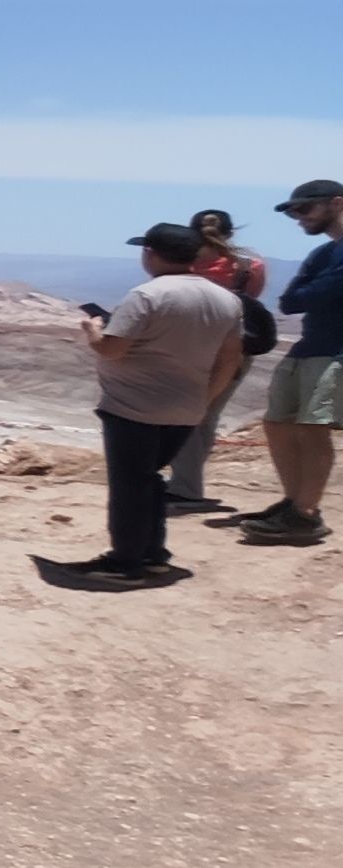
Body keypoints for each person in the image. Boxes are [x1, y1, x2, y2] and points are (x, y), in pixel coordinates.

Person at [70, 224, 247, 585]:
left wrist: (92, 331)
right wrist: (206, 400)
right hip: (186, 408)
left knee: (130, 485)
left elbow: (112, 349)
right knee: (150, 481)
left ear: (149, 253)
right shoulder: (226, 300)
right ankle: (153, 555)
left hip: (133, 406)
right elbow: (231, 358)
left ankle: (125, 563)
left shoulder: (148, 295)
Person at [236, 180, 343, 546]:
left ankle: (305, 514)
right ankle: (294, 503)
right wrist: (323, 287)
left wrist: (317, 290)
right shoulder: (323, 253)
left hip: (336, 350)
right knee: (277, 421)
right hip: (309, 346)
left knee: (313, 427)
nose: (298, 218)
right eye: (293, 212)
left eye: (304, 209)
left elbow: (309, 294)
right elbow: (291, 301)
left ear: (337, 203)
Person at [164, 206, 272, 514]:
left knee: (183, 415)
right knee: (207, 416)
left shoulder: (182, 265)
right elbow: (249, 303)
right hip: (234, 350)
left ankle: (186, 490)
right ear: (231, 233)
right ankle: (187, 483)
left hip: (188, 347)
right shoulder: (250, 267)